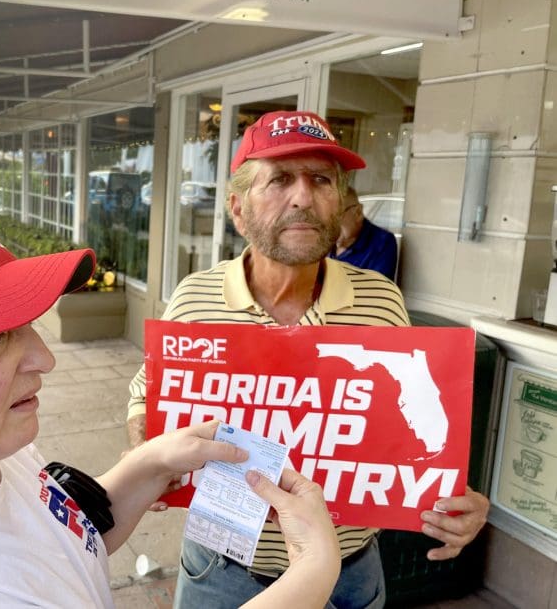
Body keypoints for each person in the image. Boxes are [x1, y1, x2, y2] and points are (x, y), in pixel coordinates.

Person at [0, 190, 342, 608]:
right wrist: (312, 575)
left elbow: (65, 541)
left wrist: (149, 465)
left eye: (27, 325)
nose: (43, 358)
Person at [125, 110, 490, 609]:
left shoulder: (381, 301)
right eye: (279, 179)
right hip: (222, 567)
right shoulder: (195, 299)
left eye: (321, 179)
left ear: (340, 201)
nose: (303, 196)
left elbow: (398, 423)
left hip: (347, 571)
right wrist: (144, 448)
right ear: (237, 209)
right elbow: (146, 393)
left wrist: (447, 493)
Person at [329, 186, 398, 280]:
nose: (330, 224)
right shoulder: (324, 241)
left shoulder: (381, 243)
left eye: (336, 216)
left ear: (358, 212)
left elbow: (376, 287)